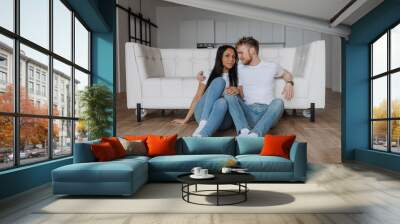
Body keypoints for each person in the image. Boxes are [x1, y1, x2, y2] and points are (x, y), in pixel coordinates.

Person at [224, 36, 294, 137]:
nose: (239, 56)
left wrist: (289, 83)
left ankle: (255, 134)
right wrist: (235, 90)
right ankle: (243, 131)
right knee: (228, 94)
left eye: (241, 53)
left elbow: (287, 74)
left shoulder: (271, 66)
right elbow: (225, 76)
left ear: (252, 51)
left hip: (267, 114)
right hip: (247, 112)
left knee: (278, 102)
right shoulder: (239, 68)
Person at [172, 45, 239, 137]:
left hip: (223, 119)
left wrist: (236, 90)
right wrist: (186, 119)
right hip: (203, 114)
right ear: (220, 57)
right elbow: (198, 96)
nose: (231, 59)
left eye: (233, 57)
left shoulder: (237, 76)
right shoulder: (209, 73)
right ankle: (203, 123)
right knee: (220, 81)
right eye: (227, 56)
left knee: (222, 102)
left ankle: (204, 132)